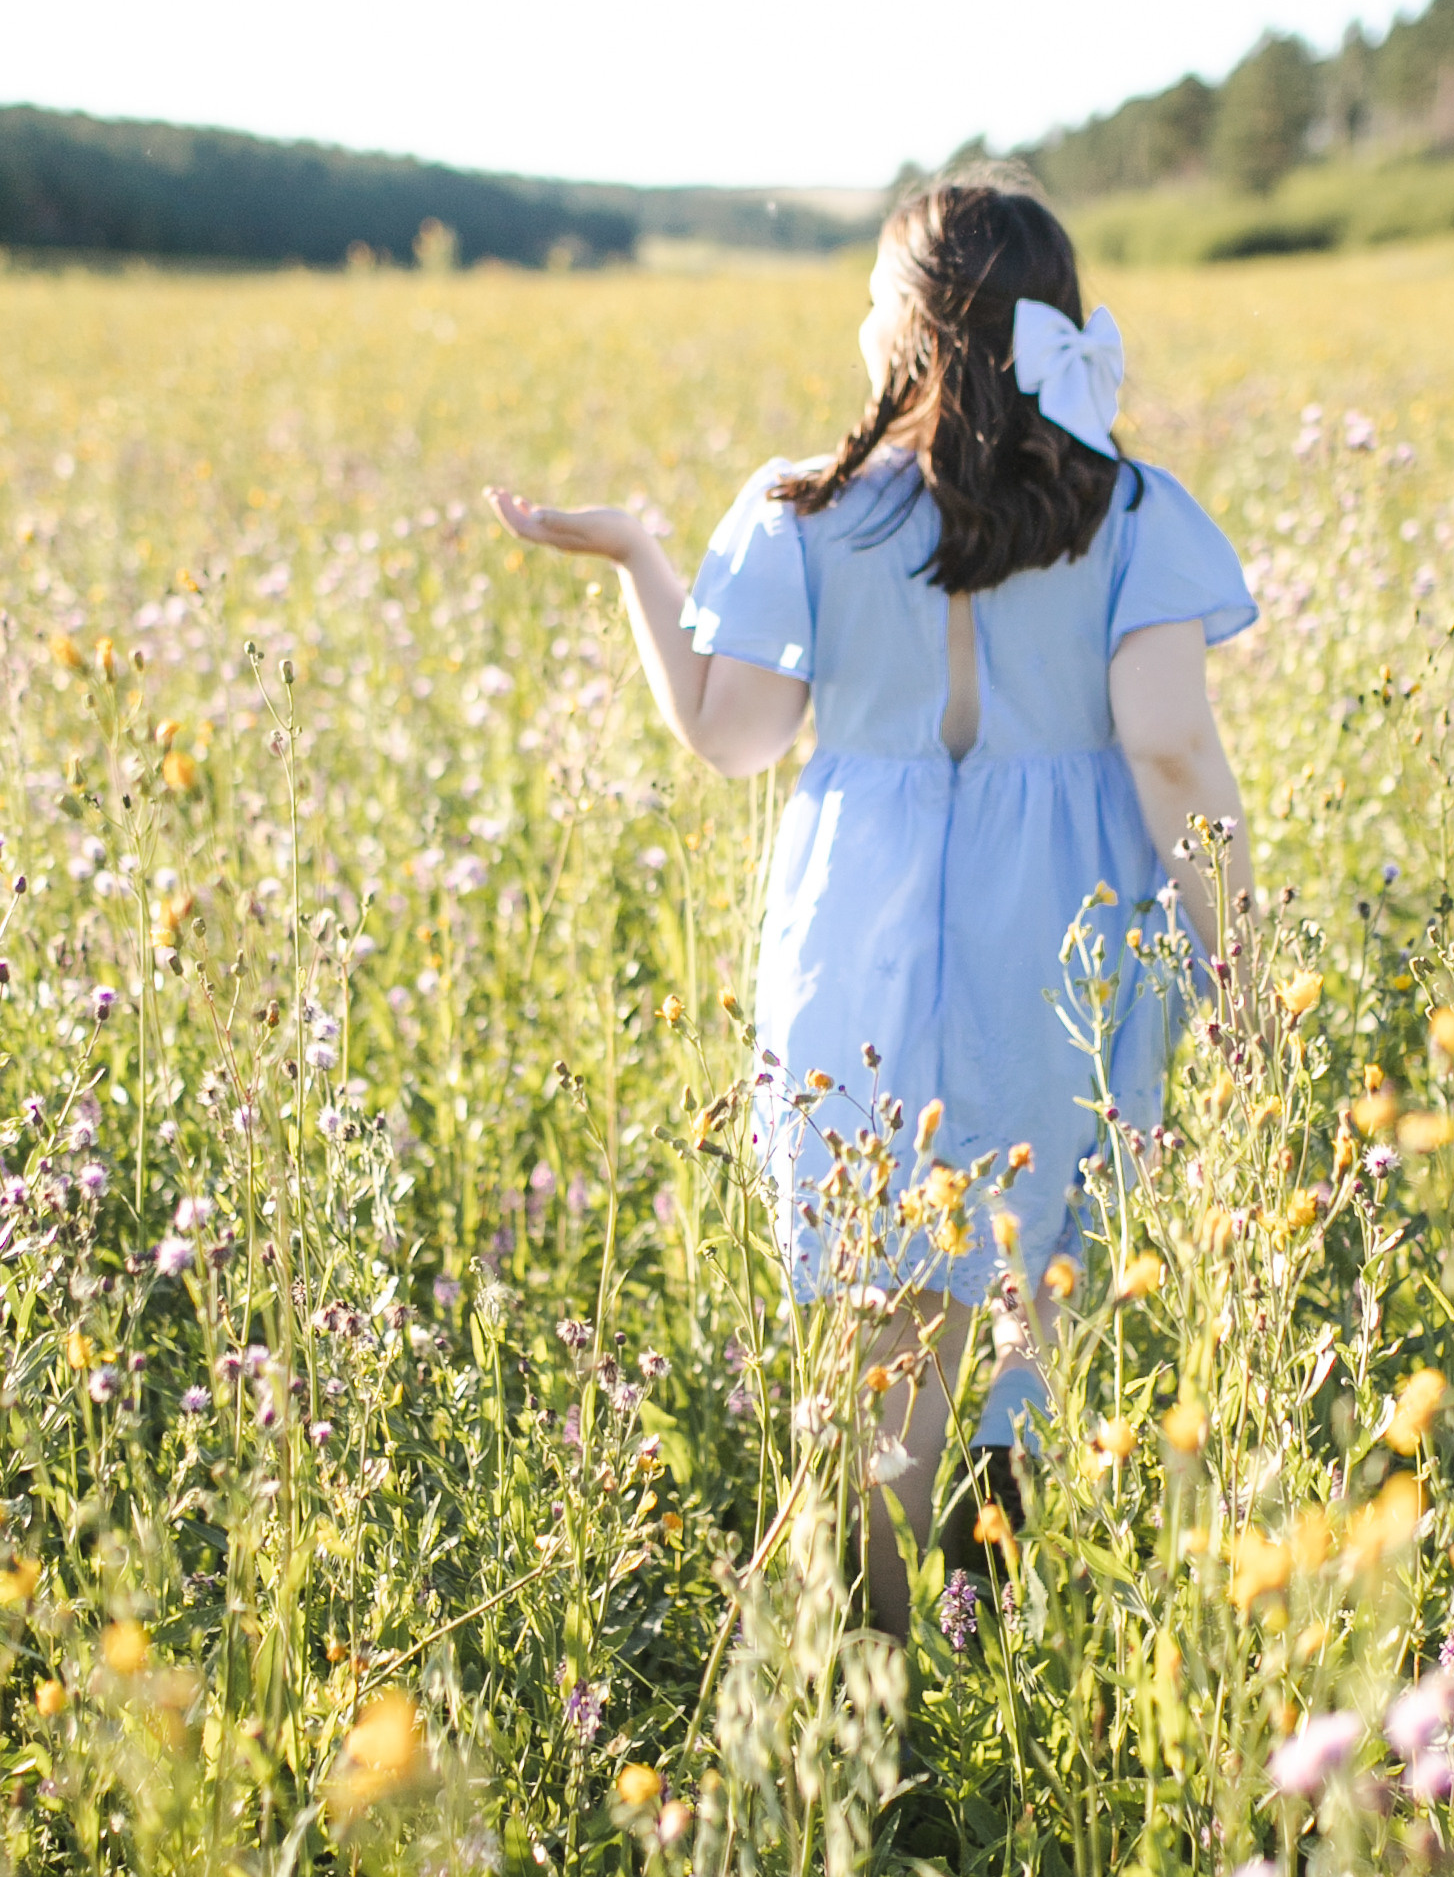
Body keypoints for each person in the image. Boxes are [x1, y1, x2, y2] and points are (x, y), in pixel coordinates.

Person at [486, 163, 1255, 1634]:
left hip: (865, 918)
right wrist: (1238, 961)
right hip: (1070, 916)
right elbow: (1166, 746)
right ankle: (1016, 1621)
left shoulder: (804, 510)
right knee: (1047, 1269)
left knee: (895, 1303)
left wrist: (642, 557)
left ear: (904, 329)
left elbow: (732, 738)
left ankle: (884, 1652)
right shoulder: (1133, 507)